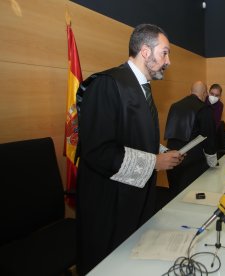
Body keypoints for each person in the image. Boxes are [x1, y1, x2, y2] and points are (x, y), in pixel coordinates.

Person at [76, 23, 184, 275]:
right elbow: (98, 151)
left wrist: (162, 151)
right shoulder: (107, 84)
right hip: (110, 204)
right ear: (145, 51)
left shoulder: (141, 87)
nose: (168, 61)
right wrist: (154, 162)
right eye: (165, 52)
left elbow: (132, 136)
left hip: (135, 198)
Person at [164, 81, 218, 199]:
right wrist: (213, 162)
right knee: (193, 195)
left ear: (190, 92)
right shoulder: (204, 109)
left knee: (175, 194)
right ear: (205, 94)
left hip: (172, 157)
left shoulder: (174, 106)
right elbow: (209, 139)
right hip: (193, 160)